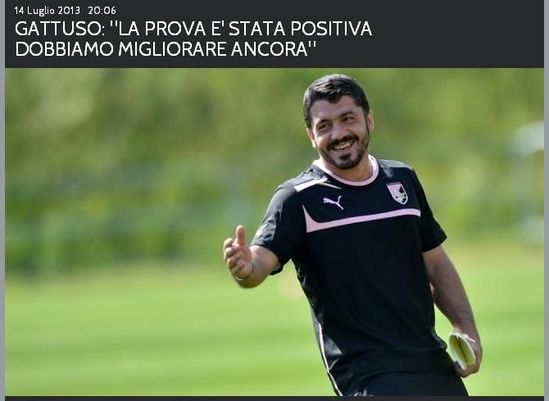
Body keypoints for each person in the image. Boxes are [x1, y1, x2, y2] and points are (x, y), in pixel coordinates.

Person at [222, 74, 482, 396]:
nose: (339, 134)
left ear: (369, 120)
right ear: (311, 136)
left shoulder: (401, 179)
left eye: (348, 119)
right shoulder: (297, 198)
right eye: (324, 126)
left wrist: (465, 328)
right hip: (365, 377)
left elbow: (436, 263)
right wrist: (245, 267)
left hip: (431, 362)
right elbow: (259, 264)